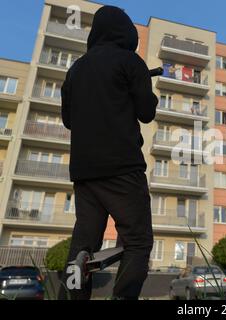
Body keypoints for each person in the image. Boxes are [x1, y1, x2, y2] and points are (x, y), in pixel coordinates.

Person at [59, 6, 159, 300]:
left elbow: (68, 119)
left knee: (84, 242)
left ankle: (74, 292)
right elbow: (146, 112)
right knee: (137, 242)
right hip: (122, 168)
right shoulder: (130, 61)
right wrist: (144, 86)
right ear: (126, 32)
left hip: (85, 172)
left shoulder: (75, 69)